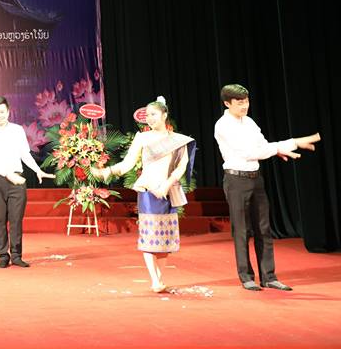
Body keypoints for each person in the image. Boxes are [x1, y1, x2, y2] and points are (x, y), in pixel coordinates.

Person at [214, 83, 319, 292]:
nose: (244, 106)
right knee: (242, 230)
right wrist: (291, 143)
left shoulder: (249, 122)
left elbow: (261, 145)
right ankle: (246, 277)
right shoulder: (223, 126)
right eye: (239, 102)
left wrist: (279, 149)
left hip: (255, 178)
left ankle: (269, 276)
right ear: (227, 103)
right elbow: (248, 153)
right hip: (236, 180)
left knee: (264, 228)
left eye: (246, 101)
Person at [92, 96, 196, 293]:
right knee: (149, 237)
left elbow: (181, 167)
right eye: (147, 115)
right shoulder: (142, 137)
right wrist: (108, 171)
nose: (149, 118)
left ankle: (160, 279)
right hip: (148, 190)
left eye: (153, 114)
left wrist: (166, 185)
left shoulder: (178, 140)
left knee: (165, 239)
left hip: (167, 191)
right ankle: (154, 280)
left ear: (164, 115)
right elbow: (128, 164)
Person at [0, 96, 54, 268]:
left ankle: (17, 255)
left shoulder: (17, 130)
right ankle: (3, 256)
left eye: (2, 112)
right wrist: (7, 174)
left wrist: (37, 170)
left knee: (16, 220)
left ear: (8, 112)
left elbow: (24, 154)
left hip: (17, 180)